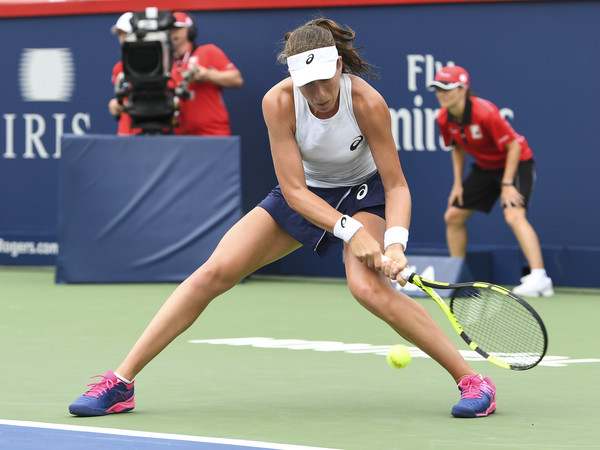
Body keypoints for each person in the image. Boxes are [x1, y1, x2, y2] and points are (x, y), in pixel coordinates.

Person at [68, 18, 496, 419]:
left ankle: (473, 381)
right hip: (308, 193)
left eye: (325, 80)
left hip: (367, 191)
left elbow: (397, 184)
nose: (319, 94)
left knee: (368, 289)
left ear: (339, 66)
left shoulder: (365, 100)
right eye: (306, 84)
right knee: (212, 272)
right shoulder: (278, 101)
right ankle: (121, 383)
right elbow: (293, 192)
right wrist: (349, 231)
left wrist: (395, 243)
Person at [429, 65, 553, 297]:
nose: (441, 94)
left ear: (463, 89)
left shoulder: (484, 112)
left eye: (447, 88)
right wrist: (457, 183)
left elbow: (514, 146)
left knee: (514, 215)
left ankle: (539, 277)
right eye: (438, 89)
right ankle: (459, 277)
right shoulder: (443, 118)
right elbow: (456, 148)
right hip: (486, 168)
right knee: (453, 216)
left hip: (516, 163)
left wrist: (507, 184)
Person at [169, 11, 243, 136]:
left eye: (177, 28)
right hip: (181, 135)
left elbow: (236, 79)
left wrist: (208, 75)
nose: (173, 32)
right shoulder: (168, 62)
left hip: (213, 133)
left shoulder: (208, 51)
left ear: (190, 30)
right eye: (170, 29)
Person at [108, 12, 137, 136]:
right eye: (120, 34)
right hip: (124, 134)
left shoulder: (161, 64)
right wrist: (116, 105)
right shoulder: (118, 67)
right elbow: (122, 99)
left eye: (126, 33)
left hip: (148, 134)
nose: (122, 38)